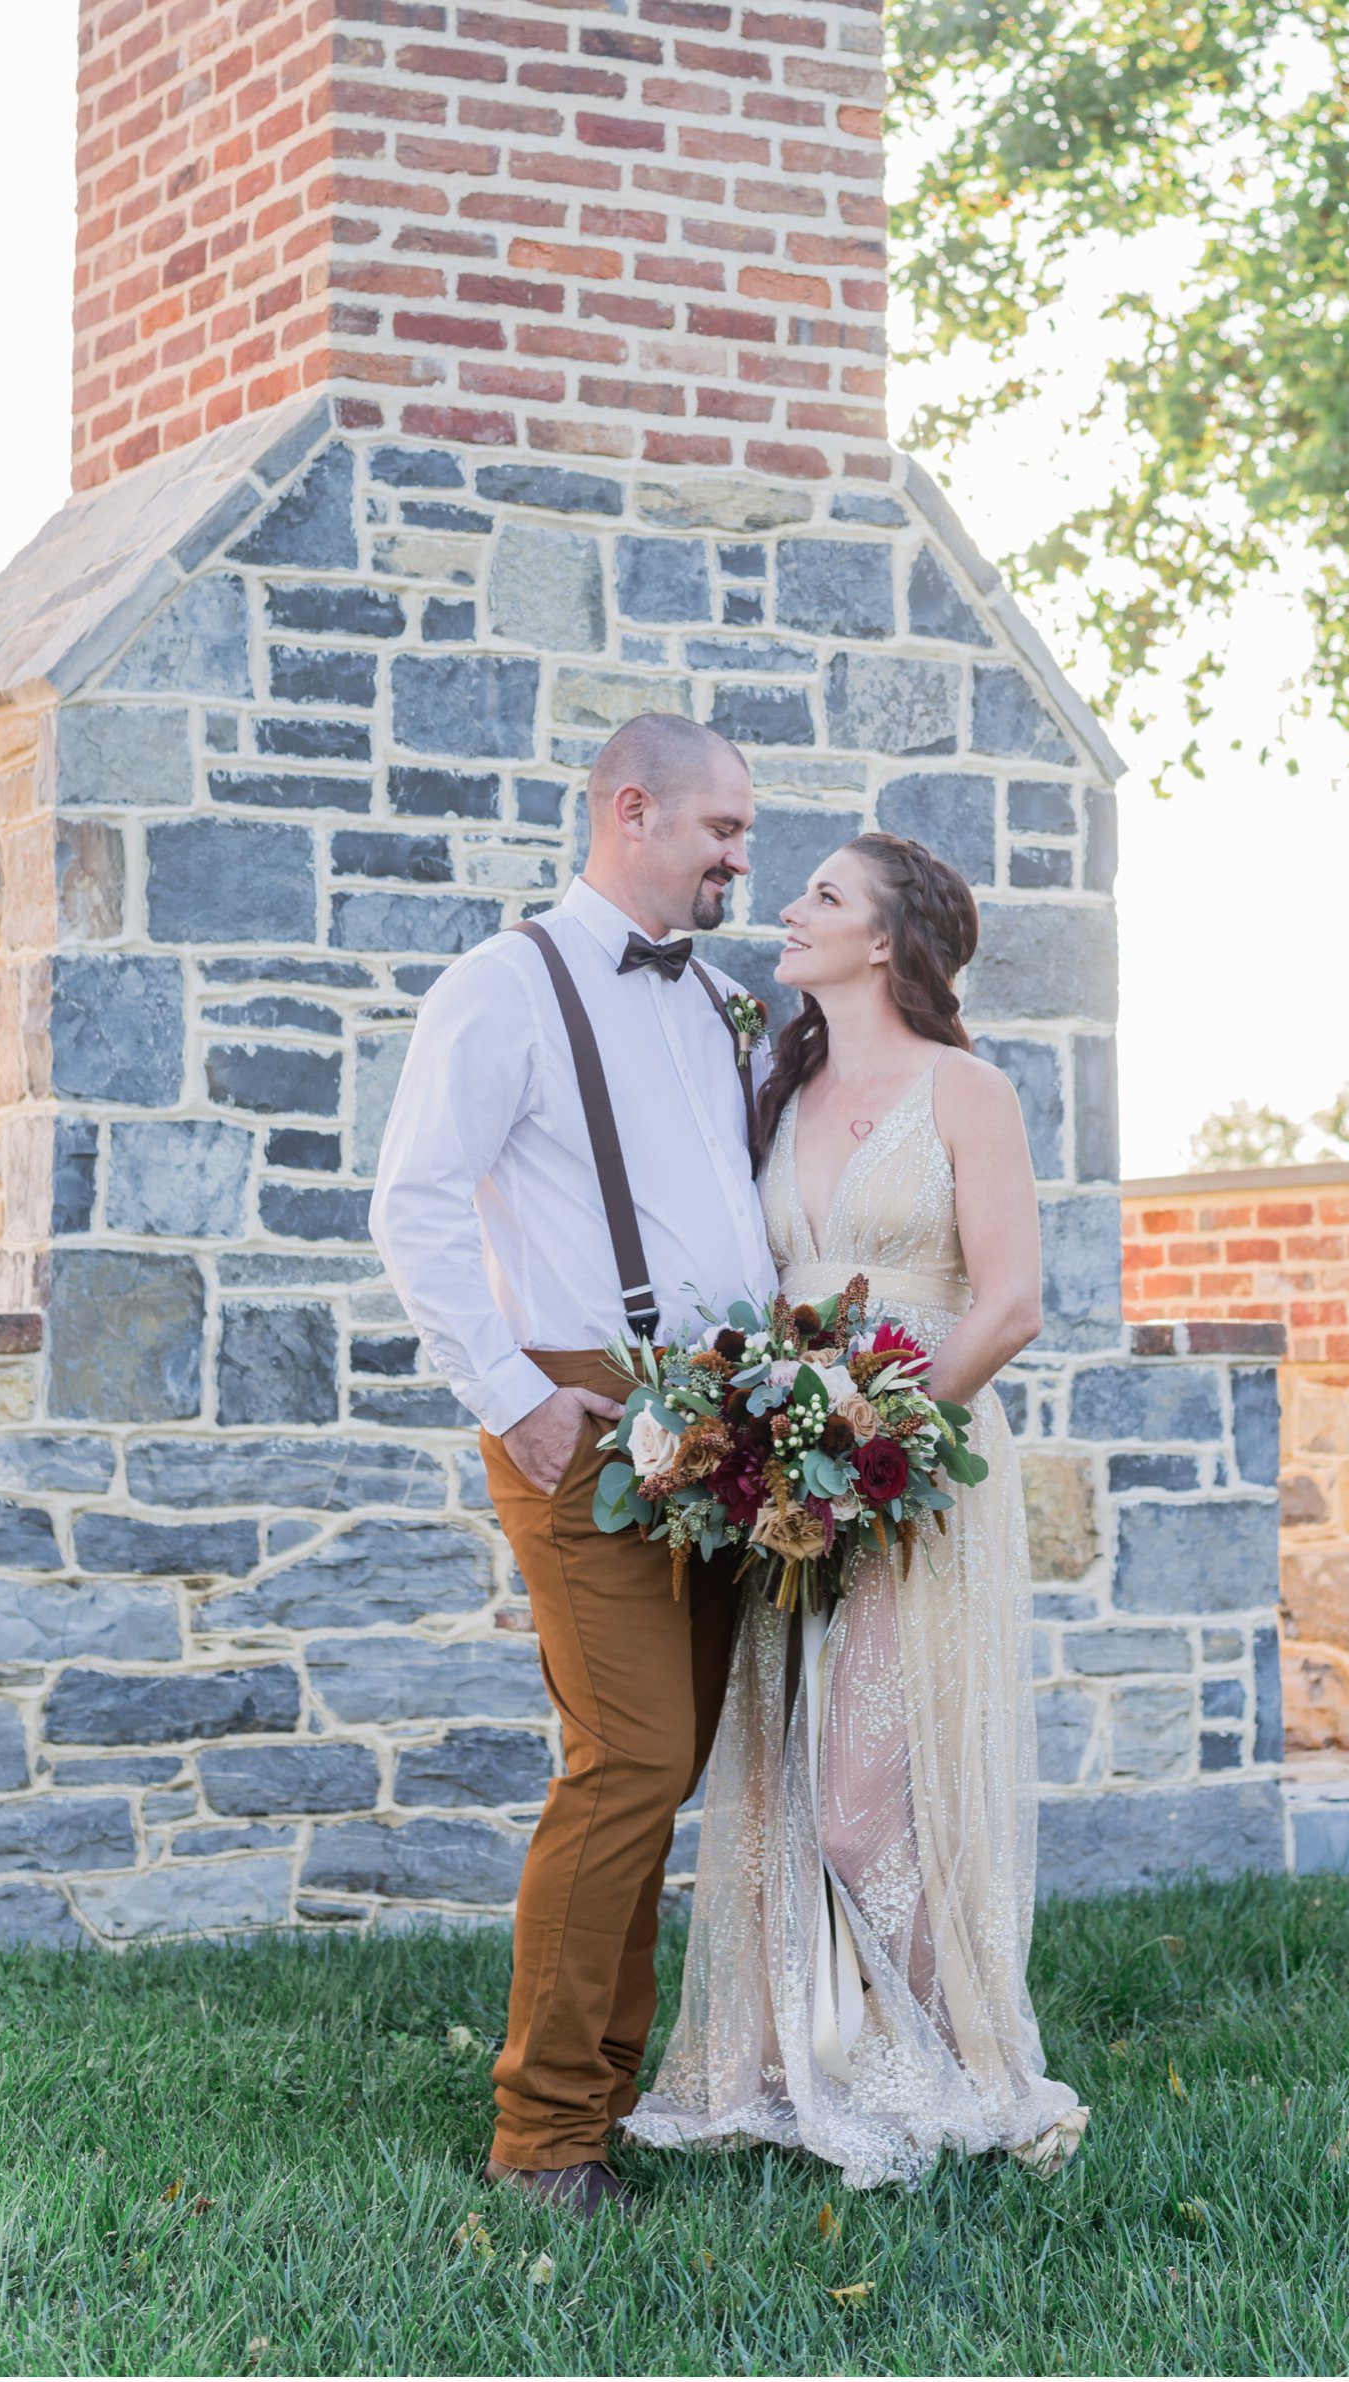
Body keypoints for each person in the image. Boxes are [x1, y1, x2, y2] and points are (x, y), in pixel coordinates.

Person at [625, 830, 1089, 2191]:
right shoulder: (785, 1082)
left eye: (822, 894)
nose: (789, 906)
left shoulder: (966, 1088)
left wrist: (885, 1433)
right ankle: (810, 2058)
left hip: (919, 1468)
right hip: (791, 1483)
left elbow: (1010, 1299)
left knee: (873, 1795)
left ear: (886, 939)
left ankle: (975, 2071)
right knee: (796, 1770)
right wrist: (770, 1445)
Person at [369, 712, 771, 2218]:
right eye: (722, 828)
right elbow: (410, 1207)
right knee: (632, 1758)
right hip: (582, 1420)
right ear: (631, 810)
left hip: (731, 1429)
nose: (744, 855)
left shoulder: (715, 1003)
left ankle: (608, 2098)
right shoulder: (502, 985)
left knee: (662, 1775)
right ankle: (543, 2136)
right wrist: (512, 1394)